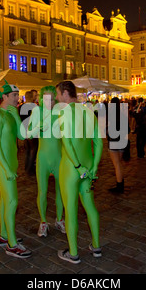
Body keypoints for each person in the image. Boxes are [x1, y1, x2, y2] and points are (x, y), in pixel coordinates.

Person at [56, 81, 103, 264]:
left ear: (66, 94)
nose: (57, 98)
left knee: (71, 210)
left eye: (58, 94)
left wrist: (76, 166)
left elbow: (67, 142)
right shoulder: (89, 112)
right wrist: (94, 167)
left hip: (71, 168)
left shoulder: (64, 112)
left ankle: (73, 253)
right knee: (90, 205)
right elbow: (98, 142)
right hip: (88, 167)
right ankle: (96, 246)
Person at [0, 81, 31, 258]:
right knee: (12, 201)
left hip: (10, 163)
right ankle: (12, 245)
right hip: (0, 164)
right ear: (4, 96)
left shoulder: (11, 113)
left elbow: (22, 135)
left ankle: (4, 236)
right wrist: (6, 169)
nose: (17, 98)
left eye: (18, 95)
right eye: (14, 95)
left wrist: (17, 116)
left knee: (5, 201)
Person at [26, 86, 65, 237]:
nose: (49, 101)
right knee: (42, 191)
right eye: (45, 98)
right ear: (41, 98)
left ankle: (59, 219)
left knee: (60, 192)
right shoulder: (37, 111)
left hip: (59, 158)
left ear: (55, 98)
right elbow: (28, 134)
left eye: (52, 98)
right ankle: (43, 222)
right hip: (43, 158)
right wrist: (38, 126)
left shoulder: (60, 111)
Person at [107, 97, 129, 193]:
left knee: (117, 164)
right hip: (122, 141)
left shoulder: (111, 115)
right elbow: (127, 129)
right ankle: (120, 183)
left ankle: (119, 186)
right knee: (119, 164)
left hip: (114, 141)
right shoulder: (123, 115)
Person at [21, 91, 39, 175]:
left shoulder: (20, 107)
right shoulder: (34, 107)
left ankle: (27, 167)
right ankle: (30, 168)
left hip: (24, 131)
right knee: (33, 150)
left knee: (28, 150)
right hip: (32, 131)